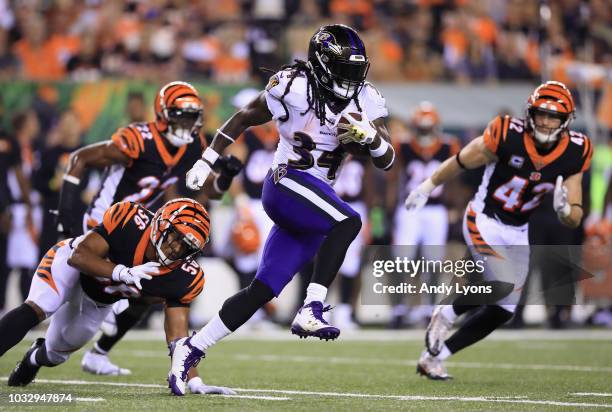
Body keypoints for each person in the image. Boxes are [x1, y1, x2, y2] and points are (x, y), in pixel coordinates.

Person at [168, 24, 395, 396]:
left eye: (357, 69)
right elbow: (242, 117)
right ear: (322, 64)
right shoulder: (293, 86)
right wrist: (207, 160)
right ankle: (312, 307)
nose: (353, 78)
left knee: (262, 289)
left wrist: (371, 138)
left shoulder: (365, 98)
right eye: (344, 68)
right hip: (286, 182)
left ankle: (191, 348)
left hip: (314, 198)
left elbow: (387, 159)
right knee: (348, 220)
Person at [406, 81, 592, 380]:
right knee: (501, 282)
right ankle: (447, 314)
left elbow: (576, 214)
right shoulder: (506, 134)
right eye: (540, 114)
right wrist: (428, 186)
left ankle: (434, 357)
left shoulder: (576, 150)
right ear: (530, 113)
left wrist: (565, 211)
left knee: (504, 310)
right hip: (484, 217)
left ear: (566, 120)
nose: (545, 121)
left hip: (518, 229)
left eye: (553, 116)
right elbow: (461, 160)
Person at [55, 81, 241, 376]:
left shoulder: (192, 146)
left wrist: (227, 175)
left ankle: (99, 353)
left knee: (150, 291)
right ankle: (58, 336)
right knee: (75, 299)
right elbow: (80, 159)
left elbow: (213, 191)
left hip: (141, 225)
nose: (187, 123)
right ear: (164, 113)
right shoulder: (140, 139)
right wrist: (65, 217)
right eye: (181, 115)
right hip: (108, 222)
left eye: (192, 117)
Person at [1, 198, 234, 395]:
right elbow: (79, 256)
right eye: (174, 236)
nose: (175, 248)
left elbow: (178, 338)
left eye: (185, 246)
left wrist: (194, 380)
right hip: (71, 268)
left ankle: (33, 358)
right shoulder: (130, 221)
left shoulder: (184, 277)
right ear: (160, 224)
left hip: (100, 300)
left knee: (55, 353)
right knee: (40, 306)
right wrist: (121, 272)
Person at [387, 102, 460, 327]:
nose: (425, 132)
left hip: (436, 209)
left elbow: (454, 180)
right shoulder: (404, 145)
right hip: (409, 208)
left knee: (434, 261)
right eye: (421, 127)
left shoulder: (449, 145)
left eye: (428, 127)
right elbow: (394, 177)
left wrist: (453, 206)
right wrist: (390, 209)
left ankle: (429, 308)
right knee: (400, 259)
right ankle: (399, 308)